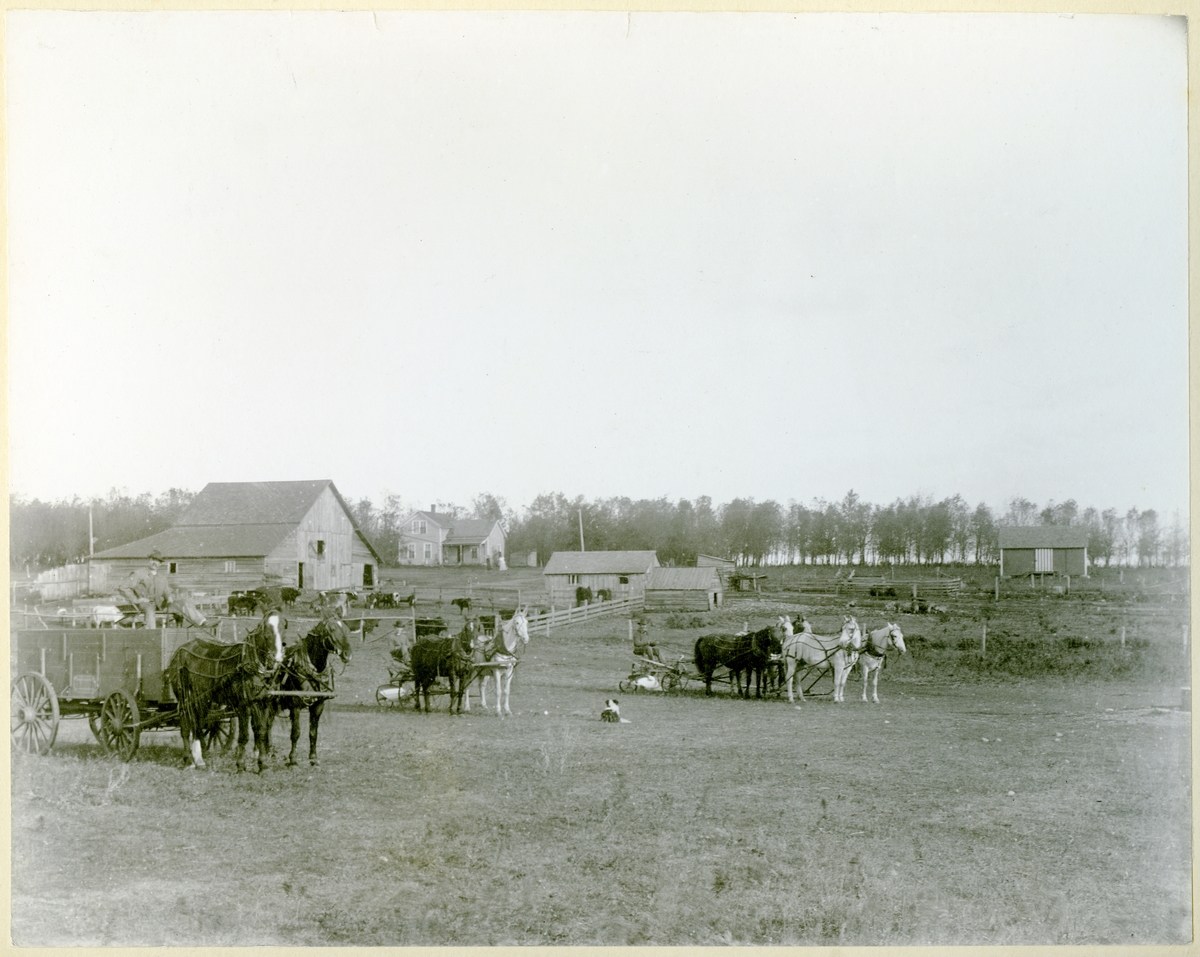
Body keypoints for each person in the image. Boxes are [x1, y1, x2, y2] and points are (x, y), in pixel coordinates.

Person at [117, 550, 209, 629]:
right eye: (153, 560)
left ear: (160, 564)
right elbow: (123, 587)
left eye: (158, 561)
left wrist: (169, 597)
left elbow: (167, 592)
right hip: (144, 603)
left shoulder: (162, 578)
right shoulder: (138, 573)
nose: (155, 563)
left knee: (184, 602)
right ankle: (152, 634)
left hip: (161, 604)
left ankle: (202, 623)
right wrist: (135, 600)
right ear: (149, 560)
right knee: (149, 610)